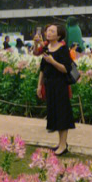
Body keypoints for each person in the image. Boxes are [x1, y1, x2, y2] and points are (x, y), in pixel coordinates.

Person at [34, 20, 74, 157]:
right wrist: (39, 85)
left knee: (62, 114)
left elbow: (66, 69)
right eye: (48, 31)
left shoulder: (63, 49)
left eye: (52, 31)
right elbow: (42, 69)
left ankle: (63, 145)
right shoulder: (47, 48)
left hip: (60, 86)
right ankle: (61, 143)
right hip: (49, 85)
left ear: (58, 36)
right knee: (55, 114)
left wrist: (53, 61)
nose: (48, 33)